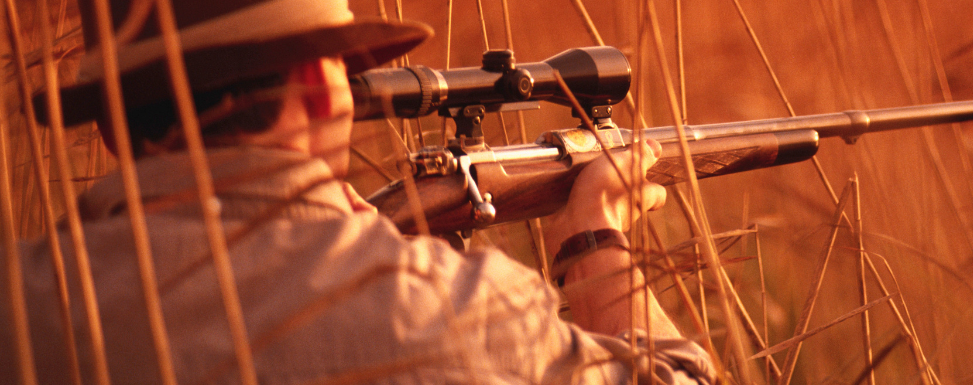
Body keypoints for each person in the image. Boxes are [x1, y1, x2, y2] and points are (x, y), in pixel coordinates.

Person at [2, 0, 714, 383]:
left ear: (111, 125)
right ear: (319, 84)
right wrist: (594, 236)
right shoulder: (459, 313)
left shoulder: (22, 302)